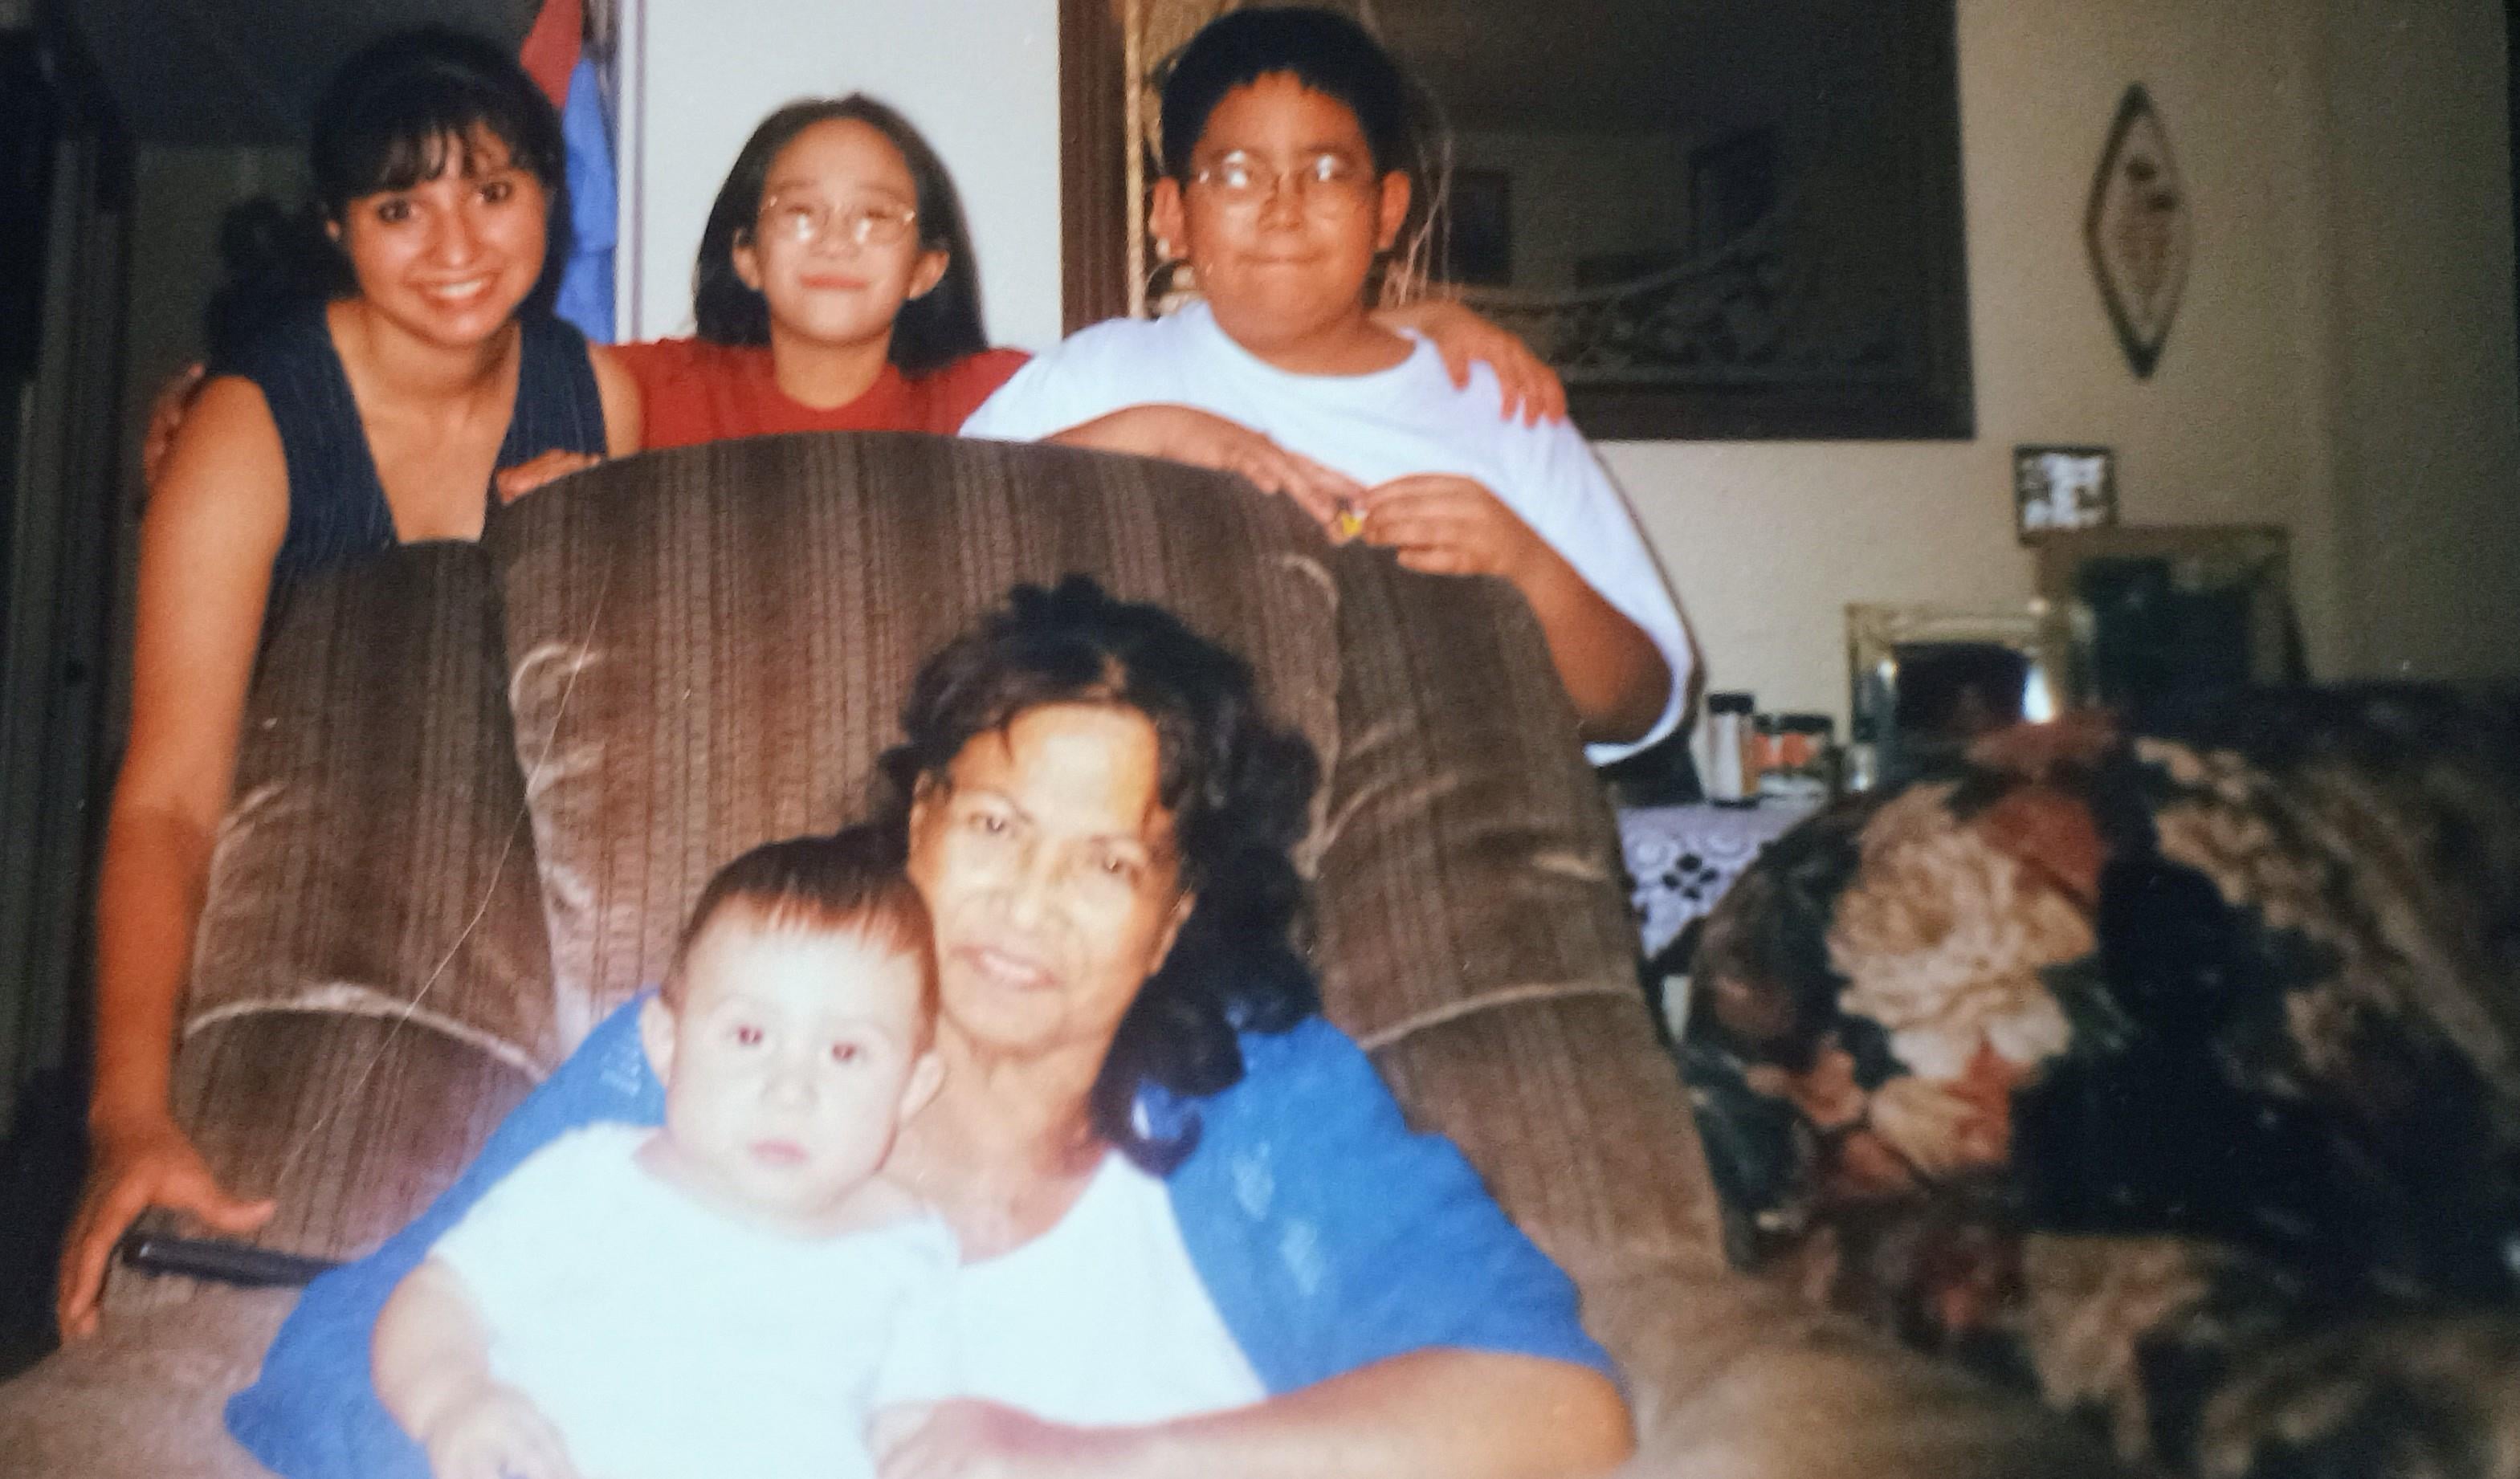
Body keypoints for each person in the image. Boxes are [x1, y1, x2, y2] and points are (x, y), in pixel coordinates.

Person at [226, 577, 1634, 1479]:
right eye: (997, 824)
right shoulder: (726, 1050)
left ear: (1173, 912)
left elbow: (1550, 1406)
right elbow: (337, 1349)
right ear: (918, 825)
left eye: (1106, 862)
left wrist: (1078, 1461)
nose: (1028, 901)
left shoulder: (1263, 1098)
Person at [55, 26, 644, 1341]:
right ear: (338, 224)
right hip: (273, 900)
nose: (455, 245)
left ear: (548, 198)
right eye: (399, 205)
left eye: (492, 192)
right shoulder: (246, 424)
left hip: (506, 900)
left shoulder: (596, 396)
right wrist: (128, 1116)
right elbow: (164, 799)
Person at [961, 7, 1692, 764]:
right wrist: (1148, 432)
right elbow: (940, 525)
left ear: (1389, 212)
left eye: (1327, 172)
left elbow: (1639, 707)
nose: (1284, 210)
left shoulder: (1493, 403)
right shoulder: (1101, 375)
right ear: (1172, 215)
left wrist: (1525, 565)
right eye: (1238, 174)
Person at [487, 94, 1568, 497]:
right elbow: (476, 361)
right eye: (798, 213)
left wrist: (1415, 319)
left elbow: (1224, 348)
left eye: (877, 216)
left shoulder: (1000, 391)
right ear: (745, 254)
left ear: (928, 266)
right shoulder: (645, 383)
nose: (835, 242)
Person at [373, 830, 956, 1479]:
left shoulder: (912, 1248)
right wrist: (456, 1401)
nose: (790, 1090)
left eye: (846, 1053)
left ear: (913, 1087)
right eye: (749, 1035)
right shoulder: (591, 1181)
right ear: (666, 1044)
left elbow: (916, 1426)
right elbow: (438, 1297)